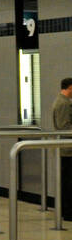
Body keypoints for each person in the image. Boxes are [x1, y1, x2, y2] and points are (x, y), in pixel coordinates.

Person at [52, 77, 72, 221]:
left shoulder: (62, 102)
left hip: (66, 148)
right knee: (68, 181)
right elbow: (64, 126)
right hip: (67, 149)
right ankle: (68, 211)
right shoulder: (63, 104)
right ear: (69, 87)